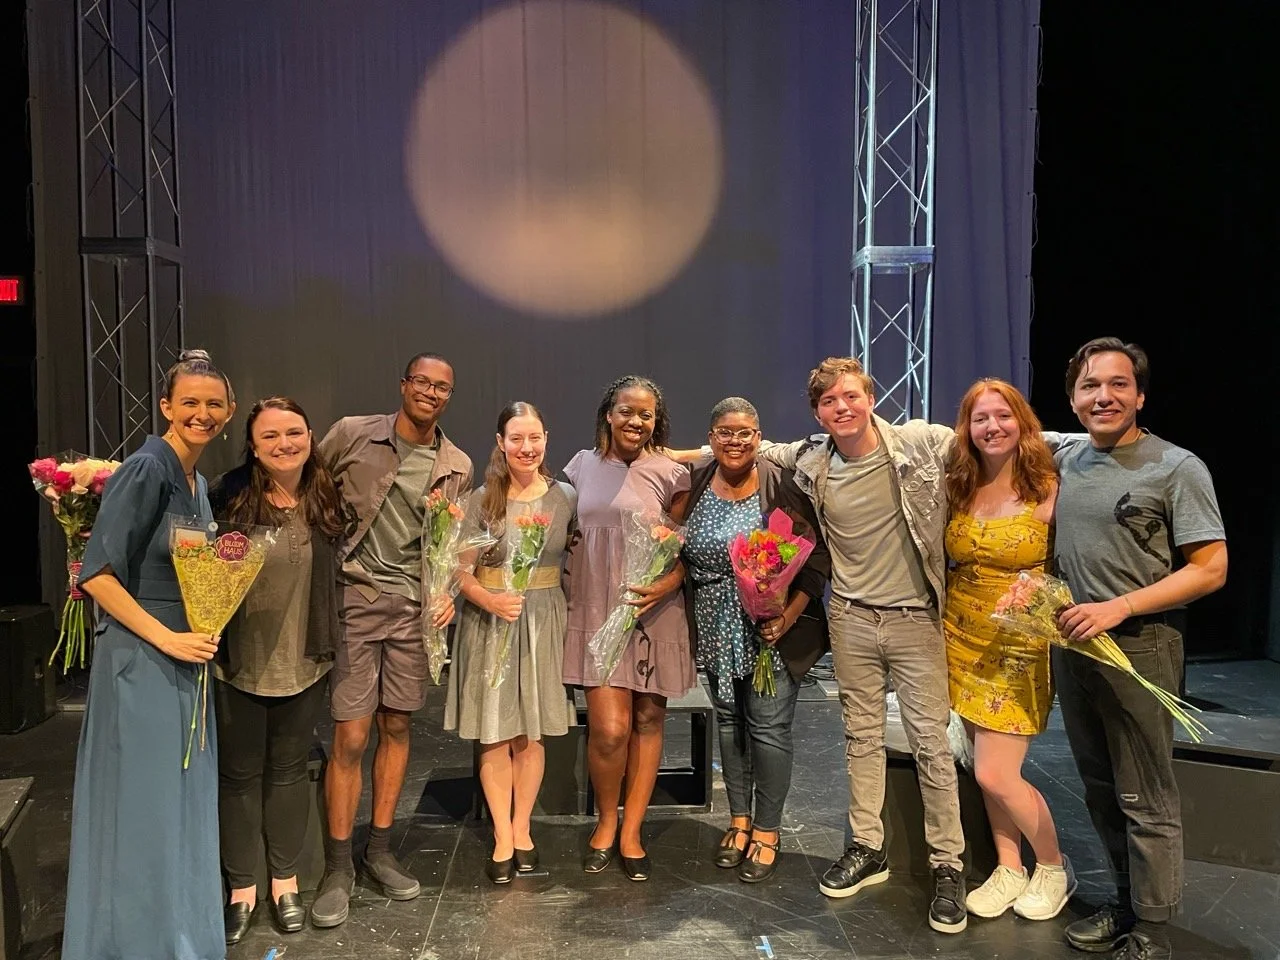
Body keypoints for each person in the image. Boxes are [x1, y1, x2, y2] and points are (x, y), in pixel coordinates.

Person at [749, 357, 968, 933]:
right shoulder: (813, 459)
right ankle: (868, 847)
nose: (841, 408)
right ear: (818, 413)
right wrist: (671, 455)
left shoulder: (919, 443)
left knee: (931, 743)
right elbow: (757, 446)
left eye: (850, 396)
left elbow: (994, 439)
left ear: (870, 397)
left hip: (915, 619)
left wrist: (1076, 444)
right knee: (861, 738)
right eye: (828, 402)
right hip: (851, 618)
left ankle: (948, 864)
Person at [1051, 339, 1226, 960]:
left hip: (1140, 646)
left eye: (1118, 384)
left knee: (1144, 794)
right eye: (1089, 386)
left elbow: (1210, 569)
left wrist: (1120, 606)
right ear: (1073, 400)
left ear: (1140, 395)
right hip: (1075, 646)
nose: (1104, 396)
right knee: (1100, 787)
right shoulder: (1068, 459)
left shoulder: (1177, 467)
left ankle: (1153, 930)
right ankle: (1126, 902)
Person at [62, 349, 235, 960]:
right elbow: (96, 574)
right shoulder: (146, 469)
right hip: (142, 661)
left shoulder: (198, 483)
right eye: (189, 402)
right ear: (166, 406)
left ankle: (178, 938)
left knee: (177, 807)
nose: (202, 413)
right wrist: (167, 638)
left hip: (185, 658)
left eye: (213, 404)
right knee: (145, 809)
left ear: (229, 412)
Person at [310, 353, 473, 929]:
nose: (431, 392)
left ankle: (378, 850)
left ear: (449, 396)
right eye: (422, 381)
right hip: (354, 597)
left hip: (412, 609)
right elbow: (307, 489)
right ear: (403, 385)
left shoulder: (455, 464)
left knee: (397, 726)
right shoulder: (353, 434)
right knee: (351, 733)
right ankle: (337, 866)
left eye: (442, 387)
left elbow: (452, 542)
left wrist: (448, 589)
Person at [209, 398, 349, 942]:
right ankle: (242, 888)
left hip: (304, 661)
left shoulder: (325, 493)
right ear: (252, 444)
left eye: (294, 432)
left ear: (311, 436)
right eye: (270, 435)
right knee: (240, 774)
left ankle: (284, 882)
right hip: (239, 664)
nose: (284, 444)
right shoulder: (226, 494)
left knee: (289, 770)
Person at [679, 397, 830, 884]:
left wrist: (785, 615)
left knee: (767, 727)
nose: (735, 441)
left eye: (745, 432)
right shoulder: (697, 481)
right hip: (715, 623)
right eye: (725, 432)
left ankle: (767, 830)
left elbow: (814, 560)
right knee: (728, 723)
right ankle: (739, 820)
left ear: (759, 437)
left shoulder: (781, 484)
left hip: (772, 630)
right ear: (711, 438)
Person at [942, 379, 1074, 922]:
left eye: (1002, 415)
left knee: (997, 774)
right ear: (967, 428)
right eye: (980, 418)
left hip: (1017, 644)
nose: (992, 427)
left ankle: (1055, 867)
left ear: (1022, 421)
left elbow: (1072, 564)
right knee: (982, 766)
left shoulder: (1049, 487)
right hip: (960, 635)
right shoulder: (961, 483)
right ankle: (1009, 866)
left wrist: (1041, 594)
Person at [562, 375, 695, 881]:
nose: (635, 421)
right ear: (608, 413)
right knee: (610, 730)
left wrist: (667, 585)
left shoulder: (671, 473)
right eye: (626, 411)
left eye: (645, 414)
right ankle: (605, 821)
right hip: (596, 608)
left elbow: (682, 548)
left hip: (652, 610)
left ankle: (632, 831)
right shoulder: (580, 466)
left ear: (656, 421)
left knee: (647, 721)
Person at [444, 402, 577, 884]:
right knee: (496, 731)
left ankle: (523, 829)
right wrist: (490, 600)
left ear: (546, 439)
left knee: (530, 733)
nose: (526, 447)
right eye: (516, 438)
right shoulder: (481, 499)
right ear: (501, 443)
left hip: (543, 621)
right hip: (491, 622)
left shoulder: (565, 497)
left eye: (534, 437)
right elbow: (458, 569)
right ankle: (502, 833)